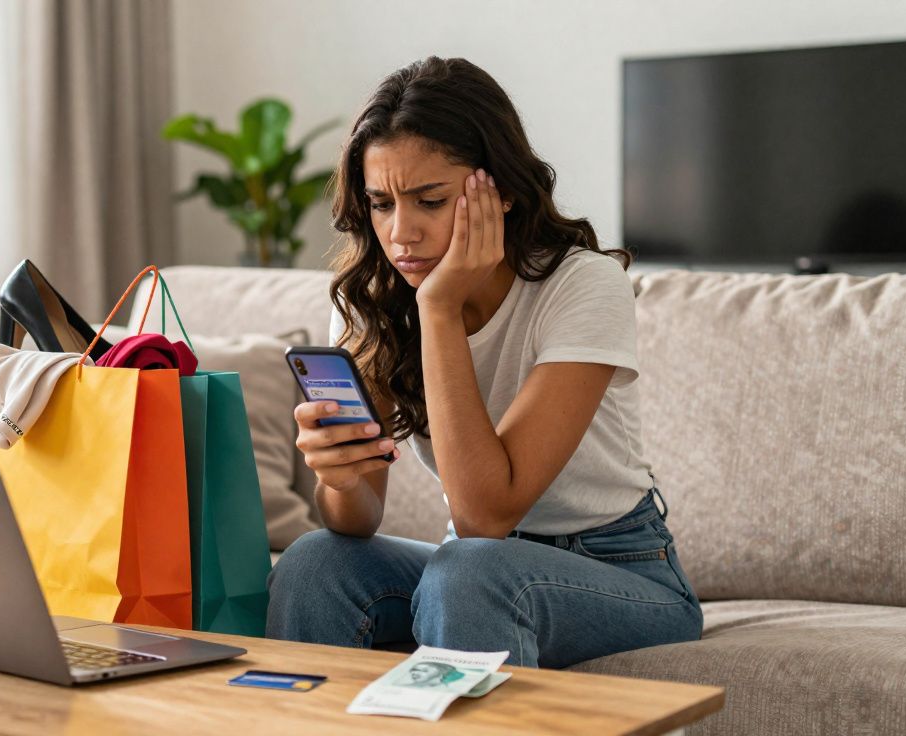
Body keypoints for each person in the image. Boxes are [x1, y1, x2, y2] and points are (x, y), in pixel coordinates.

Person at [266, 56, 703, 669]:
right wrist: (338, 479)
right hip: (471, 564)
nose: (401, 234)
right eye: (382, 204)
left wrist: (439, 309)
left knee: (470, 573)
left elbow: (485, 513)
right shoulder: (369, 301)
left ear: (497, 191)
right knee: (316, 561)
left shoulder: (582, 286)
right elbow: (359, 520)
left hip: (618, 568)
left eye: (430, 200)